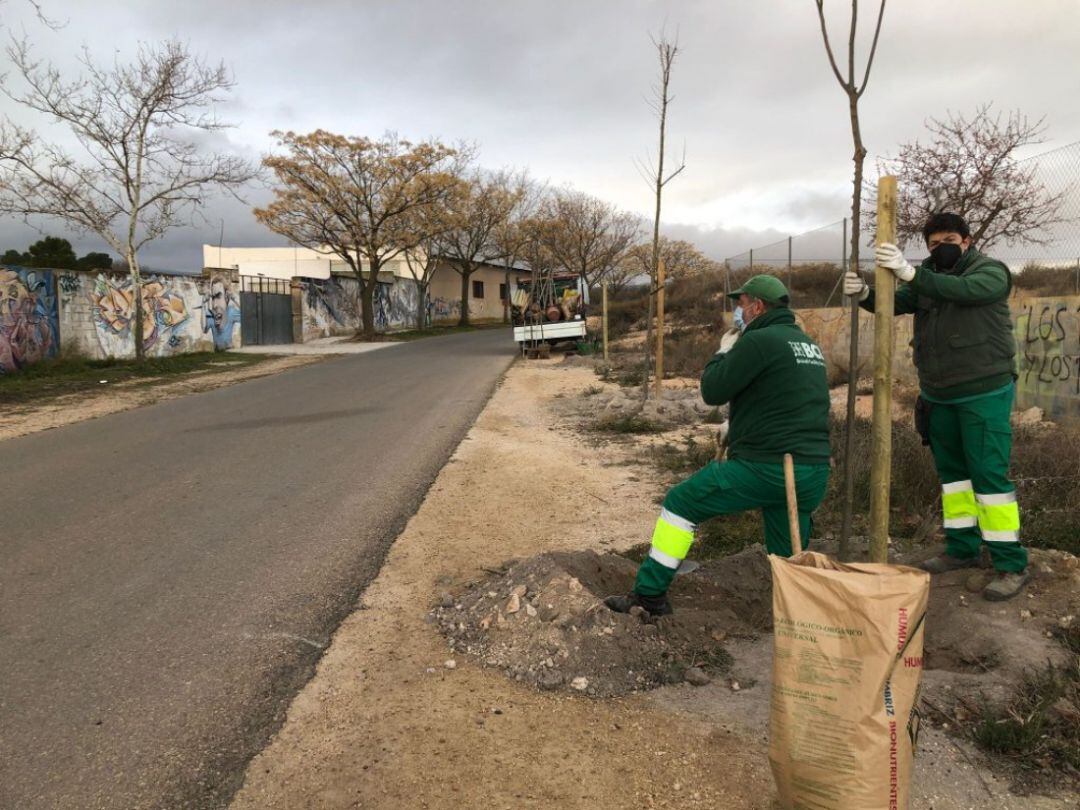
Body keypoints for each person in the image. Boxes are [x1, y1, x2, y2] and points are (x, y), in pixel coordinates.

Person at [606, 275, 832, 617]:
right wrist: (739, 426)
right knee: (788, 555)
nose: (736, 312)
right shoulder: (806, 344)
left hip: (766, 468)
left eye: (739, 305)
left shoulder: (759, 341)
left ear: (757, 306)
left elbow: (712, 390)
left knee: (680, 503)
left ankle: (649, 595)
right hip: (810, 471)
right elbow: (787, 399)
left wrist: (722, 353)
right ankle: (800, 618)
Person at [844, 212, 1028, 601]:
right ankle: (962, 550)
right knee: (955, 479)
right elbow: (895, 302)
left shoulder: (991, 272)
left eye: (947, 239)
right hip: (939, 395)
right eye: (931, 243)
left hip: (983, 392)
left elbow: (962, 291)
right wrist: (866, 295)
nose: (939, 247)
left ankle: (1010, 564)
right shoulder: (926, 275)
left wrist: (912, 274)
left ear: (966, 239)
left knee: (989, 479)